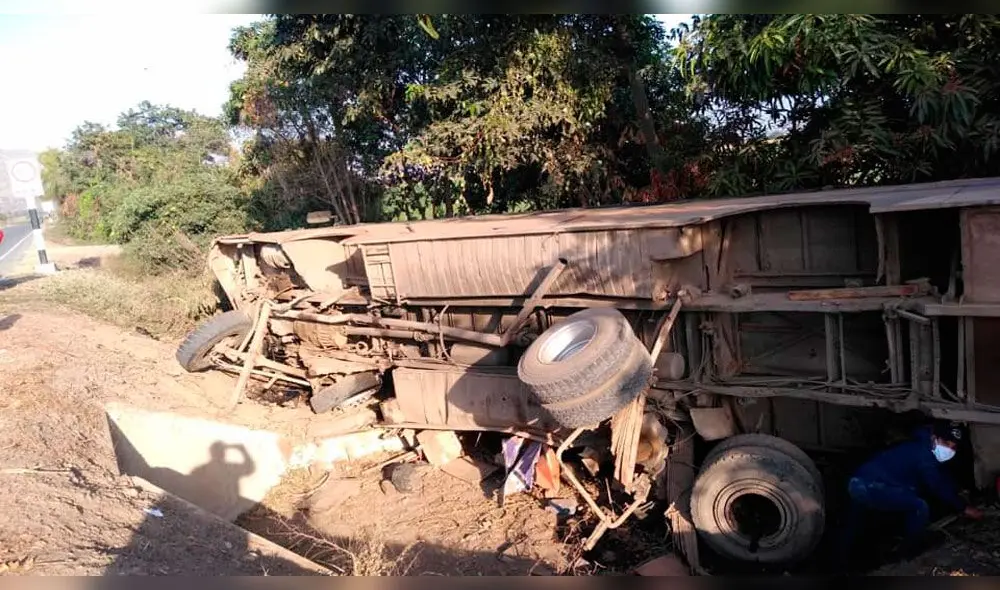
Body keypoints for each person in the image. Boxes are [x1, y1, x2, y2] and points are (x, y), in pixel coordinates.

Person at [836, 423, 983, 566]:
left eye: (953, 447)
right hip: (872, 486)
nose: (949, 449)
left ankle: (840, 563)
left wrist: (956, 490)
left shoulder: (921, 446)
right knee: (919, 507)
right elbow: (936, 485)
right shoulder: (923, 454)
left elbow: (940, 477)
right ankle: (907, 557)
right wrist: (963, 507)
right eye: (946, 443)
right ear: (934, 437)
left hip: (859, 482)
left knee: (855, 525)